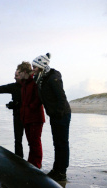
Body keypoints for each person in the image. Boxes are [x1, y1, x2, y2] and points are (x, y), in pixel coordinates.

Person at [32, 53, 71, 181]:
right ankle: (56, 169)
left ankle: (61, 172)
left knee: (62, 143)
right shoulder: (41, 79)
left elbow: (61, 98)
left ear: (42, 67)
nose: (33, 70)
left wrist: (57, 114)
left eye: (35, 67)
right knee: (57, 143)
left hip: (61, 115)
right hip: (54, 115)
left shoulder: (53, 78)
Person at [19, 61, 45, 169]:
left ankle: (36, 166)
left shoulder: (35, 81)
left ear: (25, 71)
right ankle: (31, 164)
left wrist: (30, 108)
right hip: (27, 118)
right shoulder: (24, 83)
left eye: (20, 72)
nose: (19, 75)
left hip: (35, 117)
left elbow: (39, 98)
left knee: (35, 143)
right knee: (31, 143)